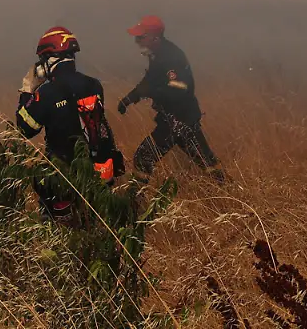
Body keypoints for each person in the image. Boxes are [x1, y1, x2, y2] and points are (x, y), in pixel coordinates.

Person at [16, 26, 124, 222]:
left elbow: (26, 129)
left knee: (60, 229)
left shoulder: (46, 93)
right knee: (97, 224)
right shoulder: (94, 84)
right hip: (100, 174)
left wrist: (27, 91)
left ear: (50, 59)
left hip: (65, 179)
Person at [117, 15, 226, 184]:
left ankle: (136, 196)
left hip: (179, 120)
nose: (137, 41)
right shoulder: (157, 54)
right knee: (206, 161)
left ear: (155, 38)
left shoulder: (171, 57)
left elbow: (182, 88)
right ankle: (227, 188)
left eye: (141, 37)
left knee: (143, 157)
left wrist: (155, 92)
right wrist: (130, 98)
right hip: (178, 119)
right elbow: (150, 81)